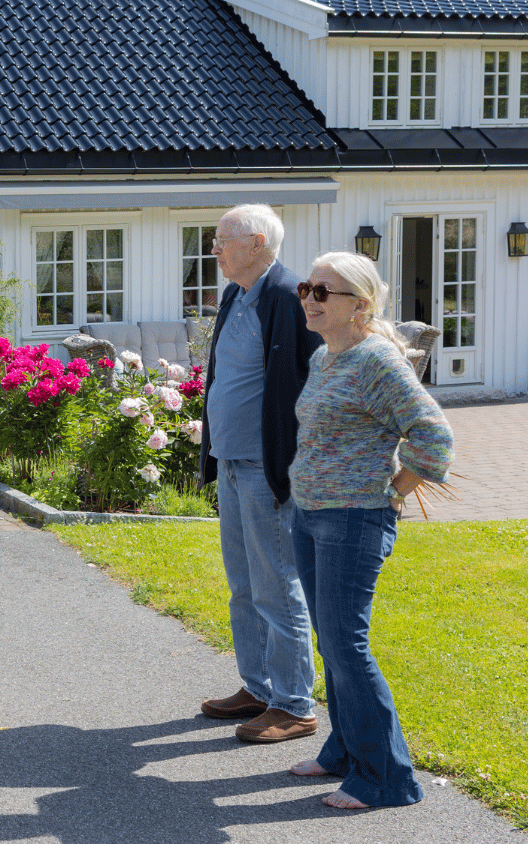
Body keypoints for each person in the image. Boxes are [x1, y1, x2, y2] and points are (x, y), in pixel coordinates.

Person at [286, 251, 454, 809]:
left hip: (354, 519)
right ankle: (345, 750)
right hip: (312, 514)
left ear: (359, 305)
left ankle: (387, 779)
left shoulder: (377, 361)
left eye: (323, 291)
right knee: (331, 642)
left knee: (346, 645)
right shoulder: (327, 356)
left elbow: (433, 435)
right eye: (307, 288)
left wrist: (395, 490)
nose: (309, 299)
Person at [197, 204, 322, 744]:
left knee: (277, 587)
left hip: (267, 467)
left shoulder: (289, 297)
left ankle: (293, 705)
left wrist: (292, 460)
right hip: (232, 462)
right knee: (244, 585)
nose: (214, 250)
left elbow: (311, 381)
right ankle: (259, 686)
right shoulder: (235, 294)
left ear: (257, 243)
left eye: (222, 240)